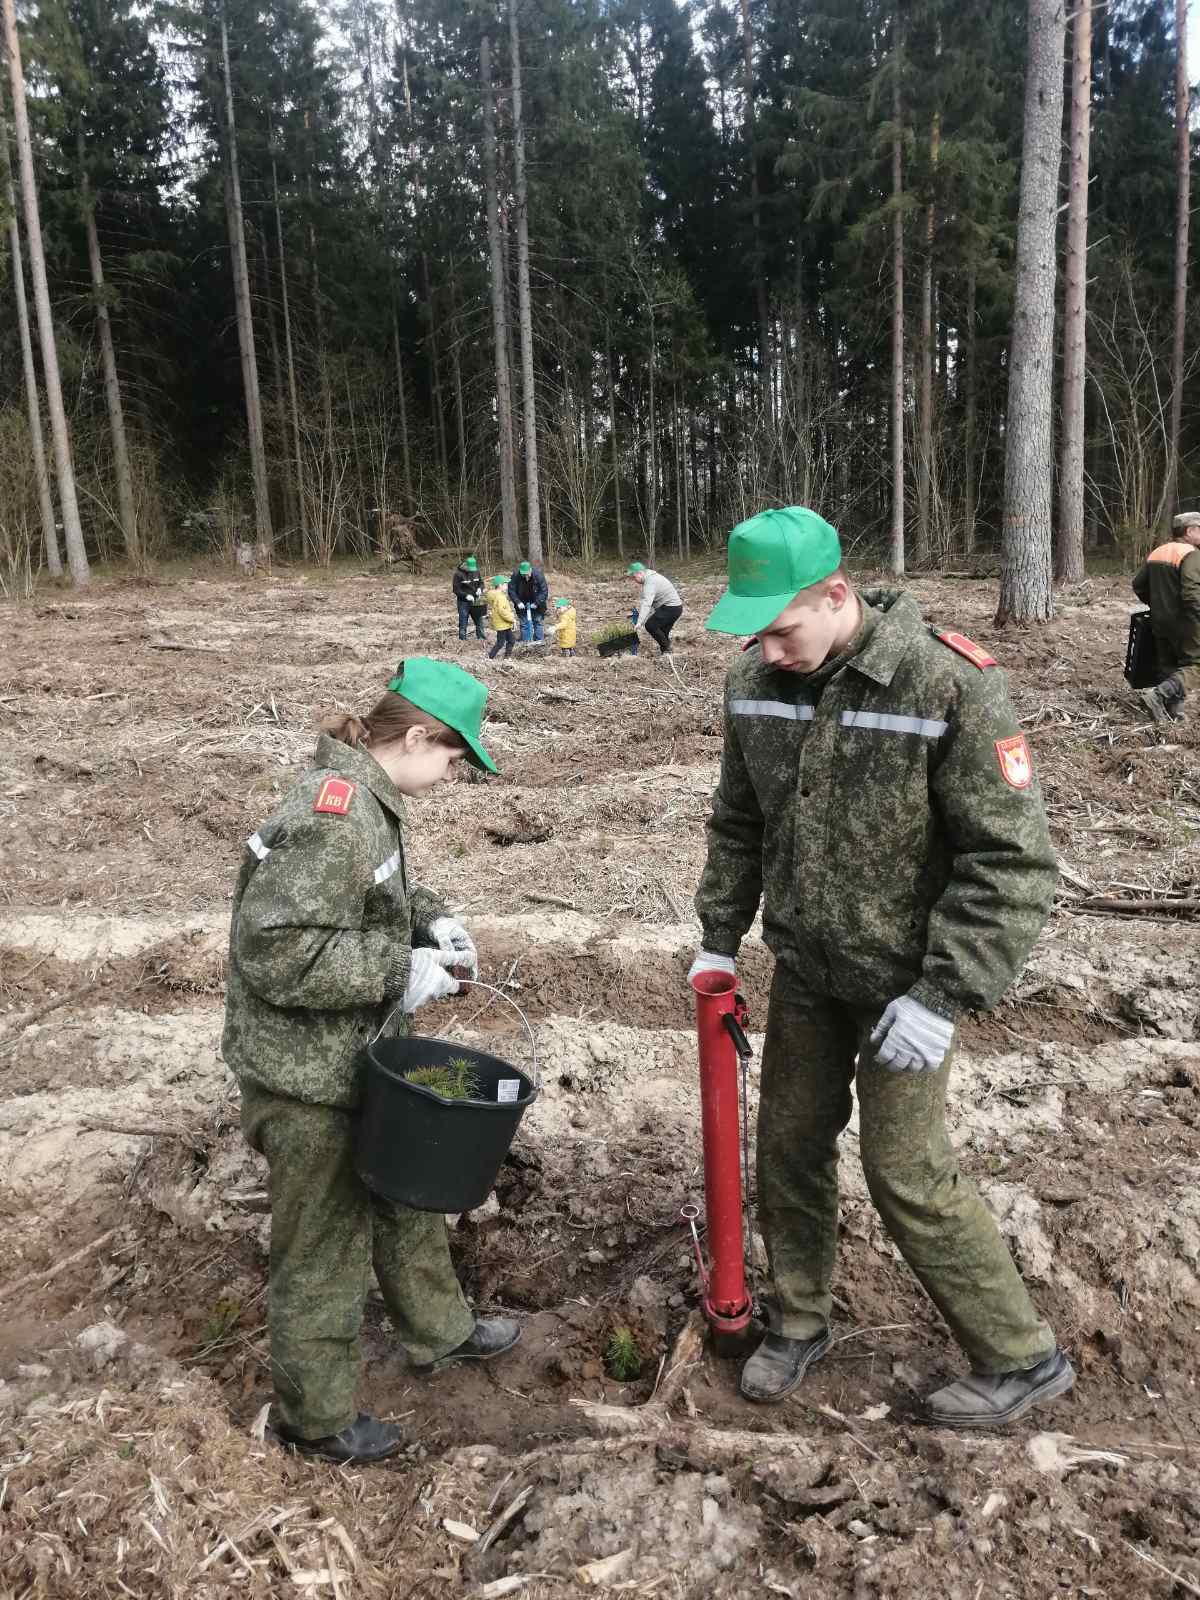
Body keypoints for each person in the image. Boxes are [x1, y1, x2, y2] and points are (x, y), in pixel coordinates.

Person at [690, 505, 1074, 1428]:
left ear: (836, 594)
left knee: (904, 1171)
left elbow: (1010, 860)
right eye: (755, 633)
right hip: (808, 970)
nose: (769, 651)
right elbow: (739, 822)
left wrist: (944, 992)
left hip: (908, 982)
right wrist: (719, 933)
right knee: (788, 1148)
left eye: (783, 630)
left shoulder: (948, 686)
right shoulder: (754, 683)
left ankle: (1020, 1356)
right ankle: (800, 1319)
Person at [222, 658, 520, 1465]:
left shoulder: (368, 801)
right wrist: (398, 970)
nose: (453, 775)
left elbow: (373, 894)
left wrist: (434, 922)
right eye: (454, 757)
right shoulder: (335, 813)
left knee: (404, 1198)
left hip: (353, 1058)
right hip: (304, 1080)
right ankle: (315, 1421)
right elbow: (276, 953)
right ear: (417, 737)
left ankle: (441, 1333)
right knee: (323, 1247)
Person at [1131, 511, 1200, 722]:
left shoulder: (1158, 552)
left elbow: (1138, 585)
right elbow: (1191, 592)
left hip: (1159, 621)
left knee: (1168, 665)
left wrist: (1158, 605)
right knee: (1195, 666)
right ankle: (1158, 696)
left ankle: (1172, 712)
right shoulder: (1191, 554)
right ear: (1190, 531)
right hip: (1185, 622)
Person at [627, 561, 682, 654]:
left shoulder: (650, 582)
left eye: (634, 577)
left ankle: (667, 649)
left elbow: (647, 603)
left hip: (671, 608)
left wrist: (639, 622)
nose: (634, 580)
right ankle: (666, 652)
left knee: (650, 625)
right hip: (675, 608)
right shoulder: (651, 576)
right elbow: (650, 604)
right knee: (662, 632)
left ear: (640, 573)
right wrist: (642, 617)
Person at [508, 560, 549, 642]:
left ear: (530, 570)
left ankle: (539, 641)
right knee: (524, 623)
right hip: (522, 602)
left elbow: (544, 591)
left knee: (538, 621)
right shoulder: (516, 576)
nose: (525, 576)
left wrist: (537, 603)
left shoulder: (538, 575)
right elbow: (511, 590)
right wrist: (517, 602)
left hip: (536, 601)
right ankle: (526, 642)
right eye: (523, 574)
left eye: (527, 574)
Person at [453, 555, 487, 642]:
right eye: (470, 569)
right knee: (463, 621)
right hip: (463, 602)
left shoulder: (476, 571)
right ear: (465, 565)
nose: (472, 570)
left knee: (479, 620)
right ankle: (462, 639)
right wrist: (466, 596)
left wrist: (480, 589)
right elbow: (456, 589)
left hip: (475, 600)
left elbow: (481, 583)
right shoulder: (458, 574)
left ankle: (481, 638)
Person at [486, 575, 516, 659]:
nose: (507, 586)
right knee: (500, 642)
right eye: (505, 584)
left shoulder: (495, 595)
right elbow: (503, 611)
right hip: (502, 623)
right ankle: (490, 657)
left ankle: (507, 657)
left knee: (511, 640)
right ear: (500, 585)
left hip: (502, 623)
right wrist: (512, 619)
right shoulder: (500, 597)